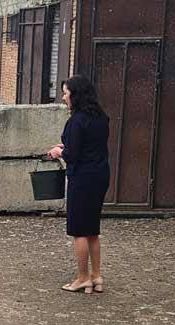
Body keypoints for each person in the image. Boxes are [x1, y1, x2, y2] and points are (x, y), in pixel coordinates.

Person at [47, 75, 110, 294]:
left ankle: (83, 277)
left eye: (66, 93)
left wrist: (58, 152)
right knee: (92, 228)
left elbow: (72, 155)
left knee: (79, 230)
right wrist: (67, 146)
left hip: (83, 178)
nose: (64, 98)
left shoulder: (76, 120)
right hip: (101, 175)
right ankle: (97, 276)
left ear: (76, 95)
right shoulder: (101, 117)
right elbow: (88, 146)